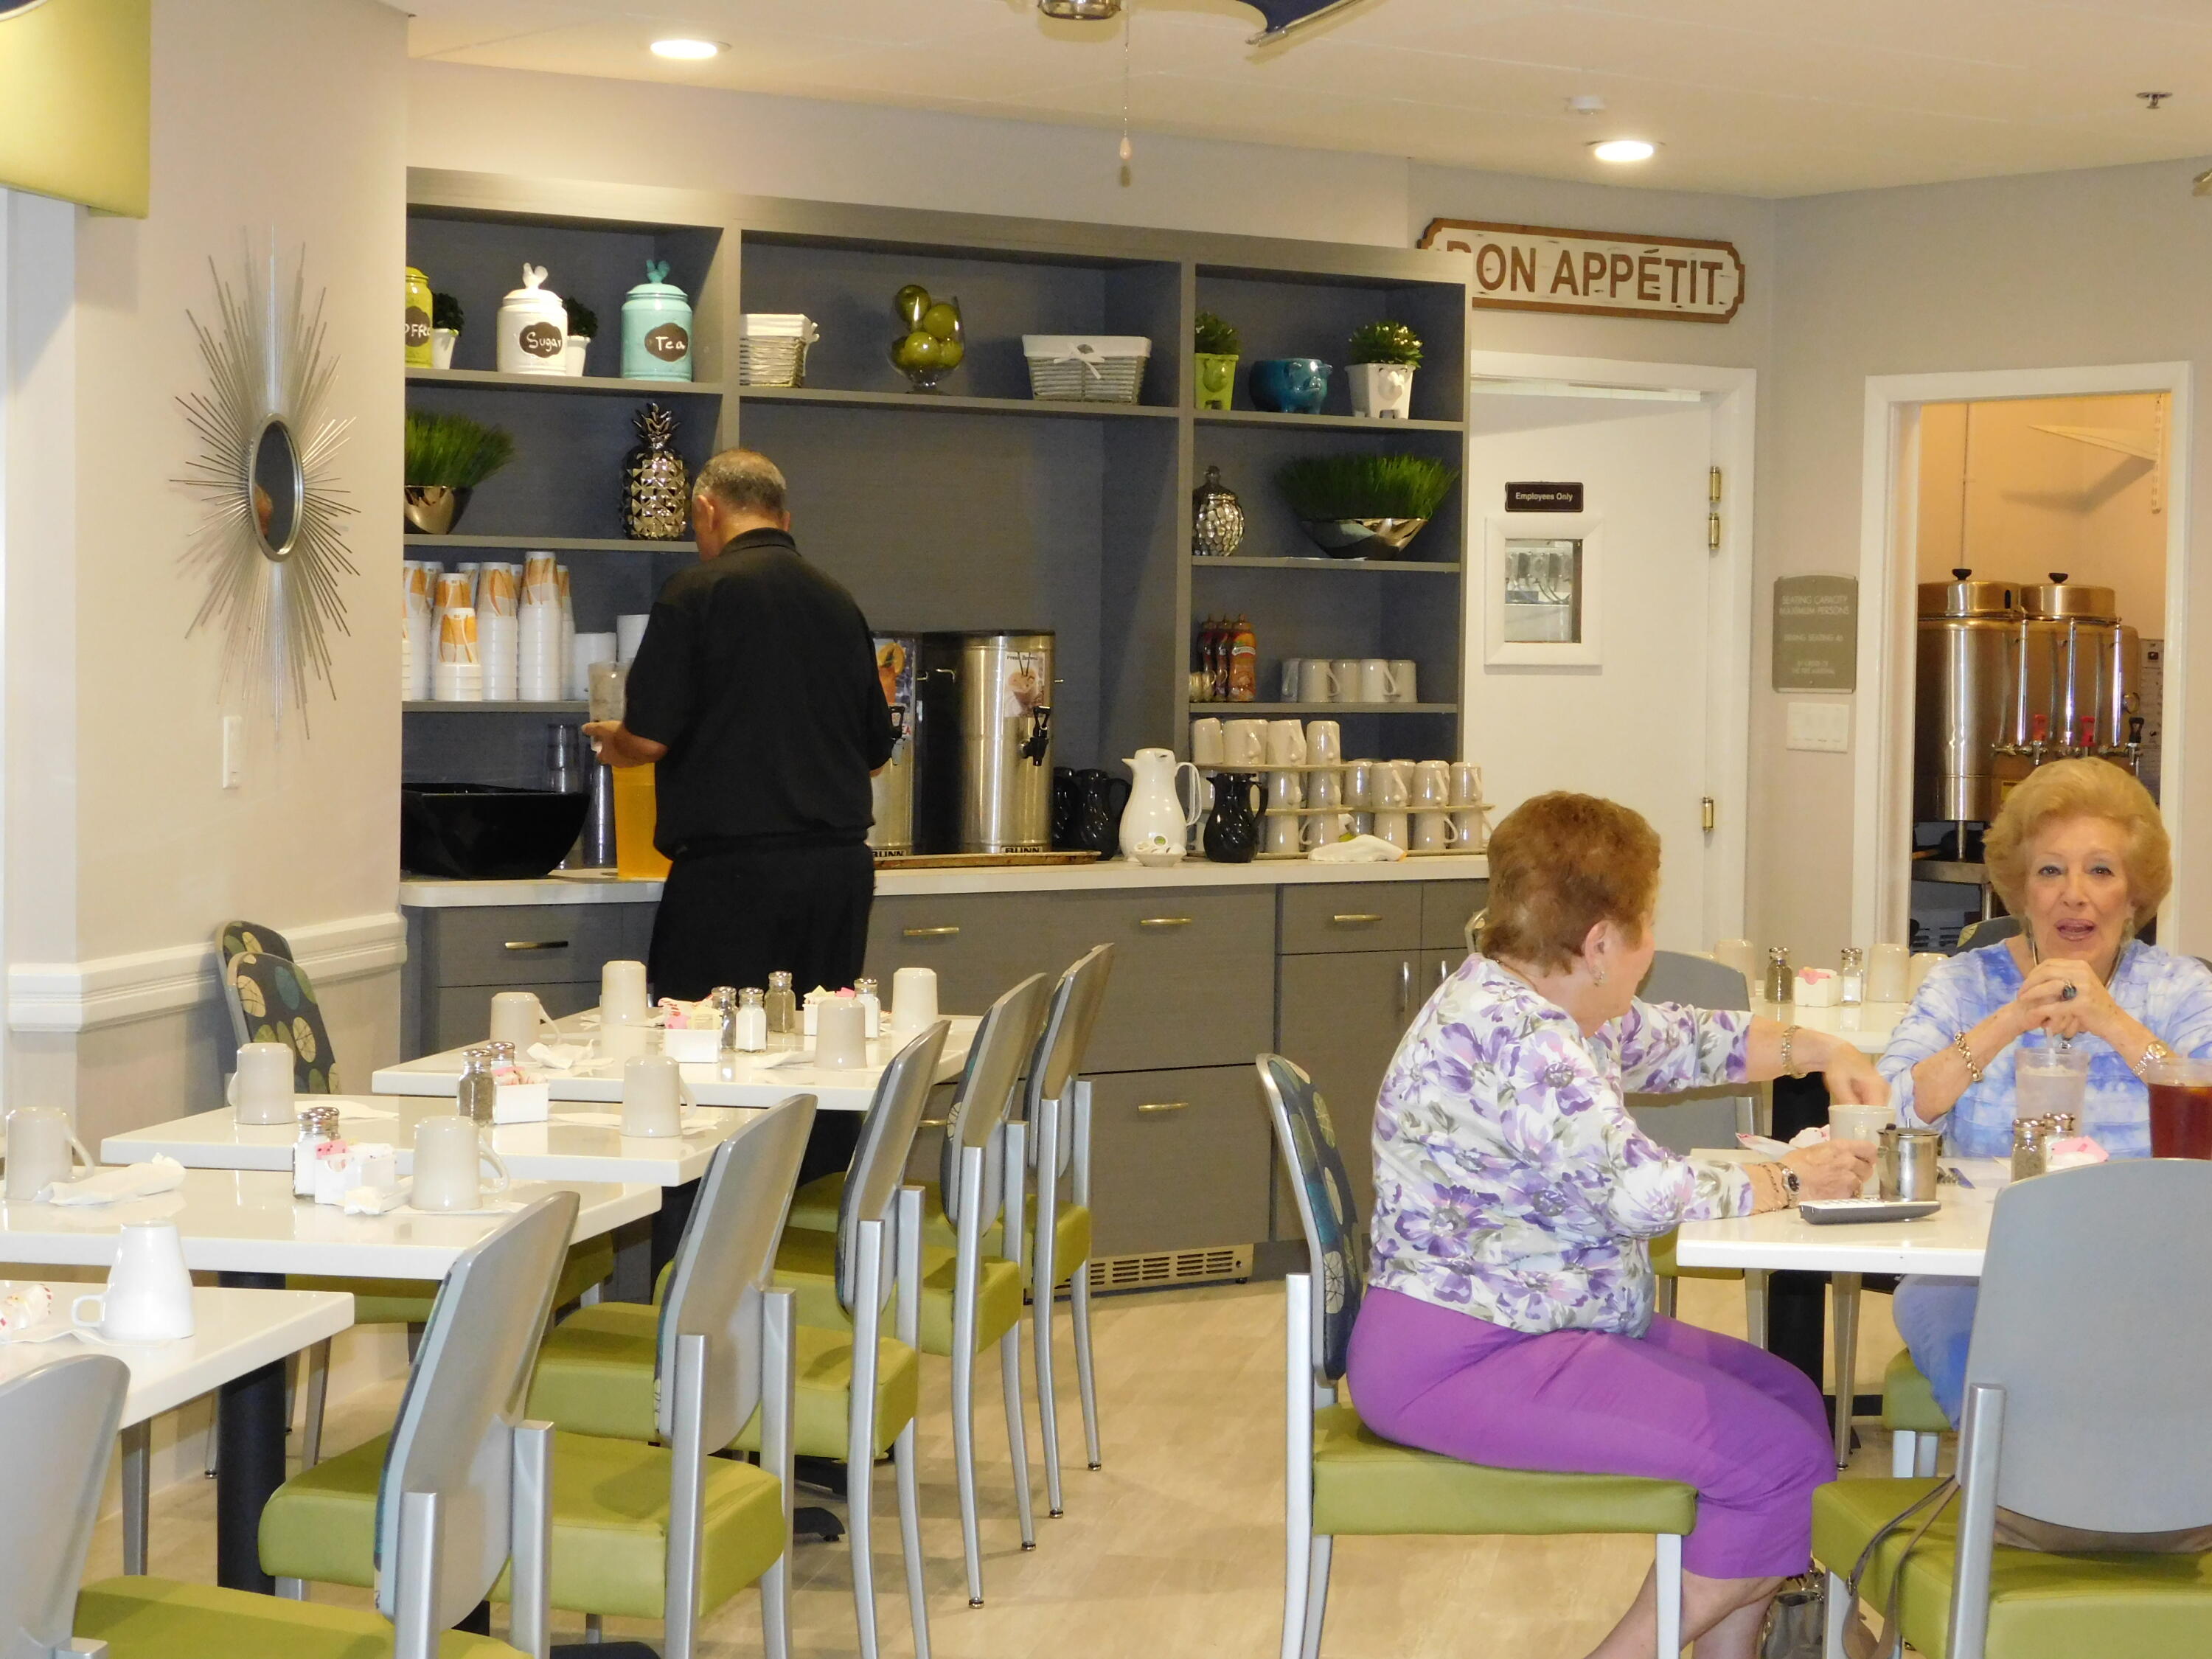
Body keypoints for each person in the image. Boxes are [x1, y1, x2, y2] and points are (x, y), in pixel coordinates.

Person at [1345, 793, 1882, 1659]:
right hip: (1466, 1358)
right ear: (1599, 943)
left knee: (1789, 1403)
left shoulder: (1538, 1002)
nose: (1649, 953)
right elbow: (1641, 1192)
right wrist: (1790, 1176)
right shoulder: (1521, 1042)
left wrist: (1823, 1049)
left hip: (1526, 1330)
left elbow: (1678, 1041)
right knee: (1779, 1462)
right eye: (1645, 932)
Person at [587, 448, 894, 1177]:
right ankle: (812, 1229)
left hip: (731, 880)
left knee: (704, 1069)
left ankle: (708, 1259)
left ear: (707, 511)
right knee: (824, 1063)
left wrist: (614, 743)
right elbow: (876, 752)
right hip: (836, 877)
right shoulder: (837, 600)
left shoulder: (695, 593)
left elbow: (652, 736)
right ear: (784, 520)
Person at [1879, 757, 2212, 1422]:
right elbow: (1890, 1109)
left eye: (2101, 870)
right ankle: (2026, 1502)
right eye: (2051, 870)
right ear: (2021, 889)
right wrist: (2009, 1019)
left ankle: (2143, 1510)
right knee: (1934, 1304)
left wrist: (2112, 1021)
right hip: (1986, 1263)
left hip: (2150, 1261)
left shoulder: (2180, 989)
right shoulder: (1961, 985)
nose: (2074, 895)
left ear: (2134, 892)